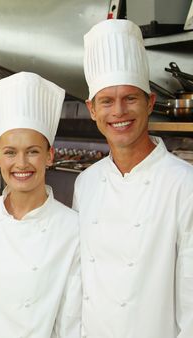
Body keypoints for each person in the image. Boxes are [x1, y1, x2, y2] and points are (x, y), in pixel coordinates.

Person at [73, 19, 193, 337]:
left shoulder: (184, 185)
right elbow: (73, 274)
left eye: (130, 98)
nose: (119, 112)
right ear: (92, 110)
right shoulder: (85, 183)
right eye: (107, 101)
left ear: (150, 103)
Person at [0, 72, 81, 338]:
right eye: (10, 152)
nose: (22, 164)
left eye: (33, 151)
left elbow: (71, 321)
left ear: (50, 156)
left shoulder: (72, 228)